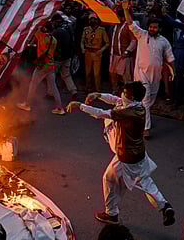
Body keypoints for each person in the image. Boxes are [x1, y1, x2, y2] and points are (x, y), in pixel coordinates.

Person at [66, 81, 175, 226]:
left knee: (109, 179)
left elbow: (101, 114)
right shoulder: (136, 106)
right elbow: (115, 100)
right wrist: (98, 95)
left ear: (131, 97)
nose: (122, 95)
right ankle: (164, 206)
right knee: (144, 181)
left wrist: (79, 106)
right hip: (138, 154)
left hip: (126, 158)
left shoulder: (128, 112)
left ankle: (111, 214)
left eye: (125, 93)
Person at [123, 1, 175, 138]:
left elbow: (170, 58)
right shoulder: (142, 35)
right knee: (145, 100)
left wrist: (172, 72)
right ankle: (146, 129)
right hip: (141, 73)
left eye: (155, 27)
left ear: (159, 29)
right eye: (151, 27)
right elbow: (130, 23)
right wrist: (125, 10)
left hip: (156, 75)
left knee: (149, 100)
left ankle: (137, 116)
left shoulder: (164, 41)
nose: (152, 29)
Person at [17, 23, 66, 115]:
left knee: (33, 84)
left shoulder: (41, 36)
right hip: (51, 65)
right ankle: (60, 108)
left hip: (42, 65)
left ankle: (27, 104)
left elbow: (35, 26)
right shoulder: (54, 40)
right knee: (54, 87)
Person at [109, 6, 136, 95]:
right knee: (113, 74)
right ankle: (115, 91)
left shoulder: (129, 26)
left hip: (124, 56)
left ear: (123, 17)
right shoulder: (114, 26)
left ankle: (129, 95)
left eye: (117, 16)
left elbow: (133, 40)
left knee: (126, 77)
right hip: (114, 55)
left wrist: (127, 51)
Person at [51, 13, 78, 101]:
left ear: (55, 21)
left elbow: (52, 44)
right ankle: (73, 91)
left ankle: (50, 93)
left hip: (58, 58)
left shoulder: (57, 31)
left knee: (51, 75)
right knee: (66, 75)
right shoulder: (68, 27)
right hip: (68, 56)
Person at [81, 13, 110, 93]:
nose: (92, 20)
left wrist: (101, 50)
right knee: (88, 72)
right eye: (91, 19)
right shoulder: (86, 29)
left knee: (97, 73)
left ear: (97, 20)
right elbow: (82, 41)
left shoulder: (101, 30)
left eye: (94, 19)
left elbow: (107, 43)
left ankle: (98, 89)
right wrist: (82, 48)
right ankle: (88, 88)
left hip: (97, 53)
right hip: (88, 53)